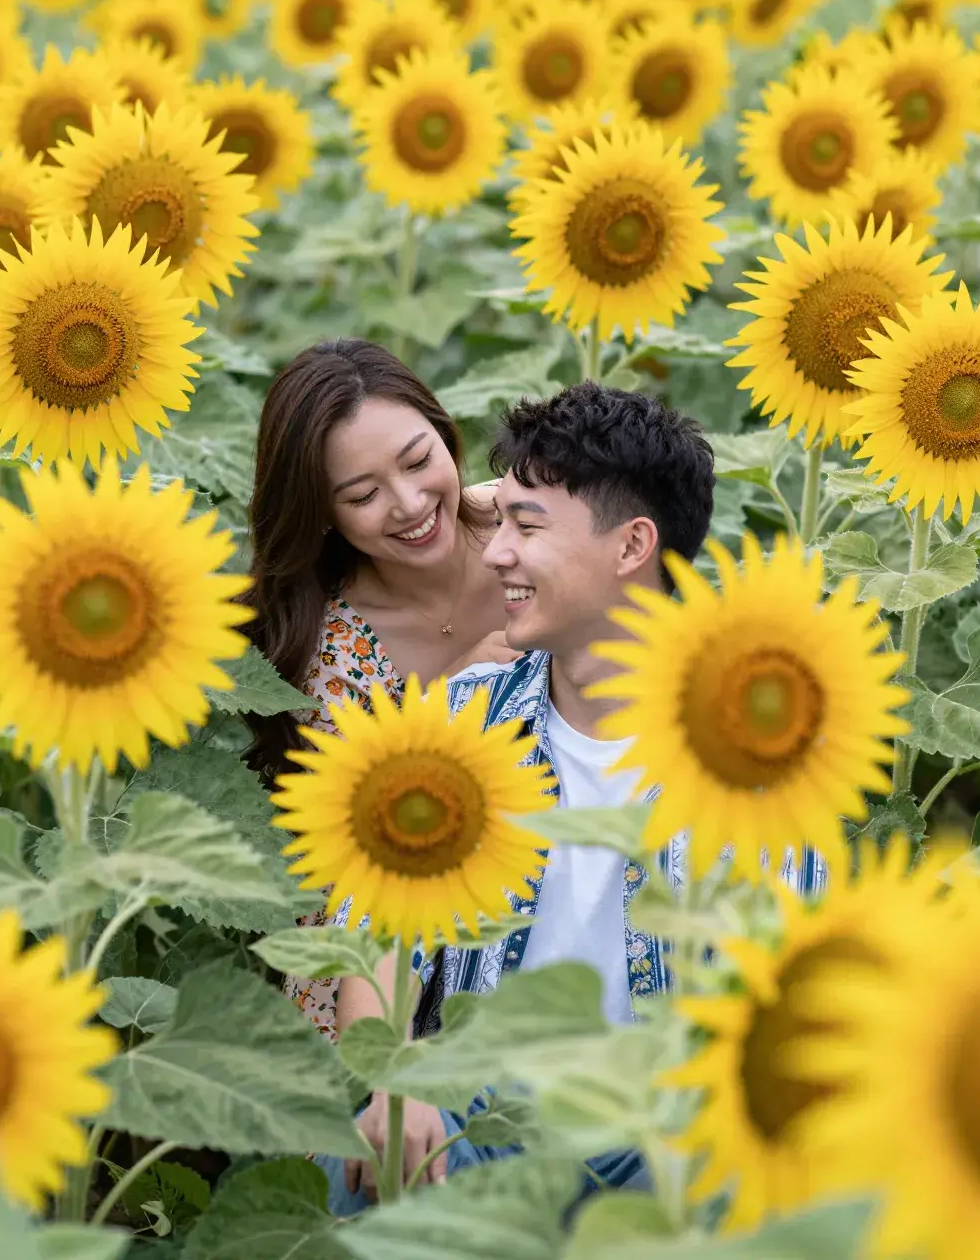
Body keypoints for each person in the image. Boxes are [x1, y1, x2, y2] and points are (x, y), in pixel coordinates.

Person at [321, 381, 828, 1212]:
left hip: (671, 1132)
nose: (492, 554)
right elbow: (375, 931)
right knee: (338, 1175)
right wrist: (394, 1076)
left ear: (632, 546)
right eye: (502, 520)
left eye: (527, 526)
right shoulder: (454, 724)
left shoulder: (760, 758)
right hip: (481, 1123)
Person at [243, 338, 515, 1043]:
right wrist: (460, 694)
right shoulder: (334, 653)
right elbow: (356, 862)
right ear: (324, 514)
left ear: (445, 433)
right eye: (362, 495)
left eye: (420, 460)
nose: (410, 504)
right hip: (390, 934)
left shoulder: (531, 530)